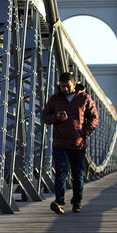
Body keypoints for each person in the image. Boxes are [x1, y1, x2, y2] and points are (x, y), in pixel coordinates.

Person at [41, 72, 99, 214]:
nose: (65, 89)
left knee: (77, 173)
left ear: (74, 84)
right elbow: (44, 117)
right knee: (61, 172)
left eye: (67, 86)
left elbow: (94, 119)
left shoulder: (85, 98)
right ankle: (59, 202)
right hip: (60, 143)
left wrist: (83, 134)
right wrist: (56, 117)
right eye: (62, 86)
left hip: (78, 143)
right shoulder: (55, 99)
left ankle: (77, 202)